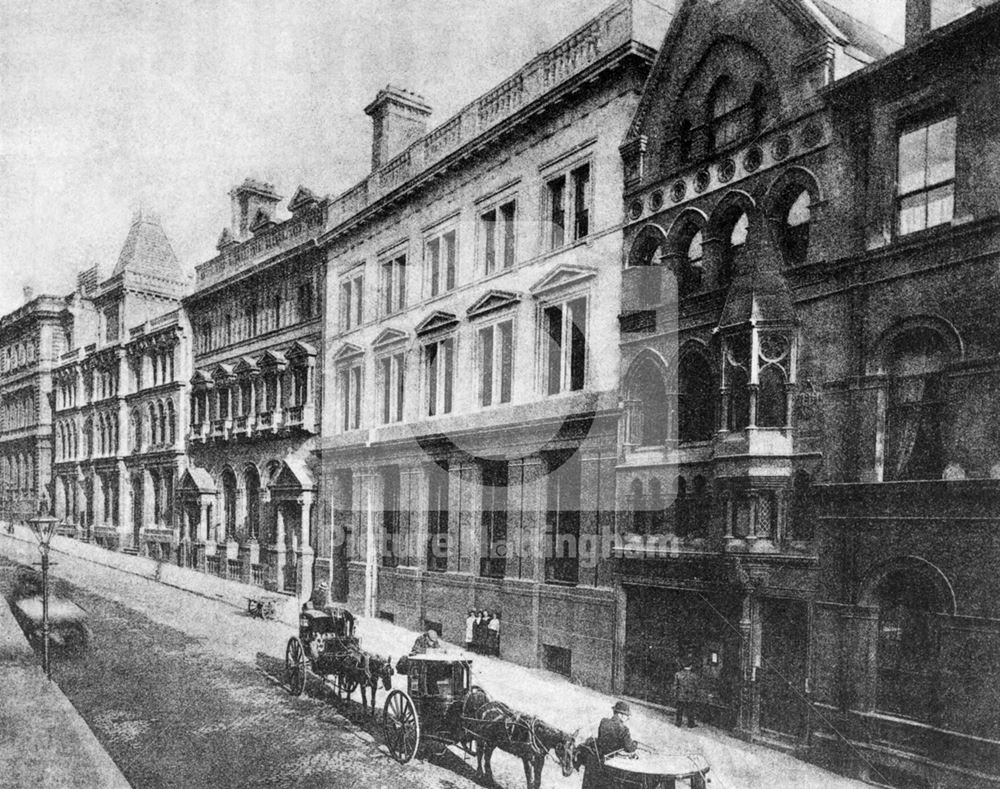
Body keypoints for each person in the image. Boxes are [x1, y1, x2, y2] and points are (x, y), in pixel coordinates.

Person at [674, 658, 699, 728]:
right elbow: (696, 686)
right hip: (690, 695)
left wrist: (675, 694)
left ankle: (678, 722)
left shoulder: (678, 674)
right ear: (690, 666)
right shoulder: (694, 675)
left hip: (680, 694)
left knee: (679, 709)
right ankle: (691, 724)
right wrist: (696, 694)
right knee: (690, 710)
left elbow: (675, 685)